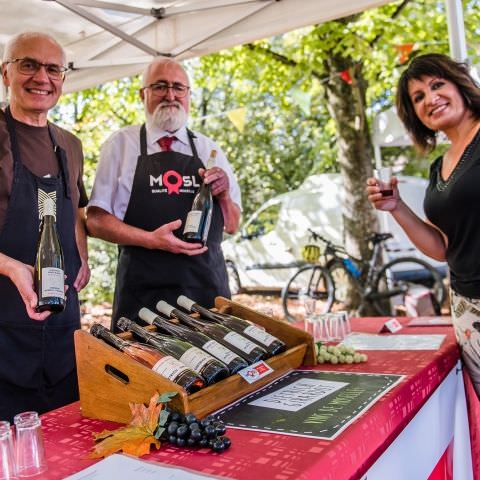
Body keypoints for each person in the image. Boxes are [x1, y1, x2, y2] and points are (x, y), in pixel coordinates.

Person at [87, 58, 241, 332]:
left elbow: (232, 224)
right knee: (144, 372)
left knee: (217, 371)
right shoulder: (121, 145)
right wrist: (151, 240)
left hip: (205, 290)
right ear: (142, 94)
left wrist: (225, 195)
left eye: (178, 87)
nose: (170, 95)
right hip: (143, 294)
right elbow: (96, 221)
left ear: (189, 95)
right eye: (160, 86)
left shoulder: (209, 149)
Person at [366, 53, 480, 397]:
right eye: (418, 97)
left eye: (437, 84)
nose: (430, 98)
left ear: (459, 85)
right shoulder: (439, 166)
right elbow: (443, 247)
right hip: (466, 308)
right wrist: (396, 207)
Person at [0, 32, 90, 421]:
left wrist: (82, 257)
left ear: (63, 79)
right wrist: (10, 266)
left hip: (61, 329)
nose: (42, 77)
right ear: (5, 73)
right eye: (28, 65)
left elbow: (77, 211)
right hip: (3, 328)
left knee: (65, 439)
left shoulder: (69, 144)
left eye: (53, 68)